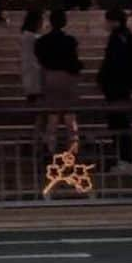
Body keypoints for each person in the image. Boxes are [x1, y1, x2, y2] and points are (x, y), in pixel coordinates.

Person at [96, 7, 132, 173]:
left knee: (118, 123)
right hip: (122, 86)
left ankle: (125, 159)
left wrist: (103, 78)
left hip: (116, 87)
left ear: (114, 22)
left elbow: (113, 63)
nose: (104, 23)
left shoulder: (118, 38)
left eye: (107, 20)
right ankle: (126, 158)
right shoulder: (126, 37)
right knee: (121, 122)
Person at [34, 8, 83, 155]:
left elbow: (40, 58)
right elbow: (74, 61)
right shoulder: (70, 41)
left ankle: (50, 149)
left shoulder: (42, 41)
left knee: (52, 117)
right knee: (70, 117)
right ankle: (73, 150)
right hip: (67, 78)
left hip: (49, 77)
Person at [20, 8, 45, 145]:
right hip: (36, 80)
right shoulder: (33, 38)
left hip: (30, 79)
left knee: (40, 115)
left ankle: (37, 139)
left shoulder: (25, 36)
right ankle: (36, 141)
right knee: (41, 114)